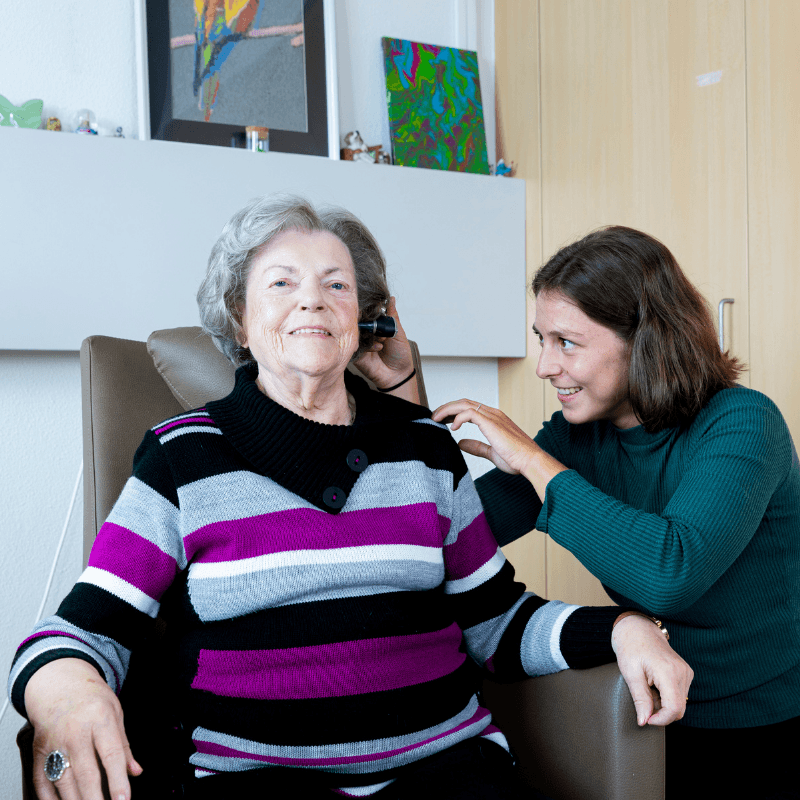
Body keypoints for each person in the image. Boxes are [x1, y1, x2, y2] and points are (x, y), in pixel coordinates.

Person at [9, 203, 691, 800]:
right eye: (282, 283)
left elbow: (496, 623)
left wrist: (622, 626)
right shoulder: (181, 456)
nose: (313, 300)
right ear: (239, 322)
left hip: (448, 771)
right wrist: (65, 694)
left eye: (337, 284)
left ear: (363, 321)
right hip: (255, 783)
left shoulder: (424, 448)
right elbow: (84, 628)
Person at [390, 226, 800, 799]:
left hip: (754, 725)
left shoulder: (743, 422)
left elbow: (668, 572)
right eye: (541, 339)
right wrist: (402, 398)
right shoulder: (581, 439)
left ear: (645, 340)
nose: (544, 366)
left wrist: (533, 459)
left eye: (567, 342)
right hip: (641, 703)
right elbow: (443, 535)